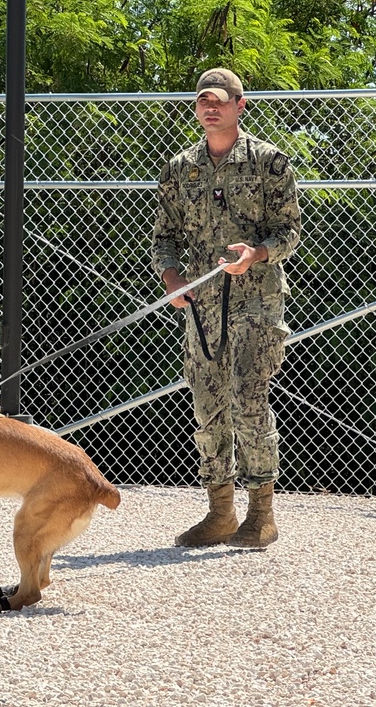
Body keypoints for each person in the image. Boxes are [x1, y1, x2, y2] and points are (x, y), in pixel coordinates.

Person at [151, 68, 301, 548]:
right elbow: (165, 237)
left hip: (256, 301)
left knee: (247, 398)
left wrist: (255, 254)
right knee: (207, 404)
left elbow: (289, 232)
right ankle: (220, 513)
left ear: (240, 105)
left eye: (218, 100)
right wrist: (173, 279)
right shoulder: (179, 168)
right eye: (201, 101)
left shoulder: (269, 163)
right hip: (201, 304)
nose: (208, 107)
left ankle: (261, 516)